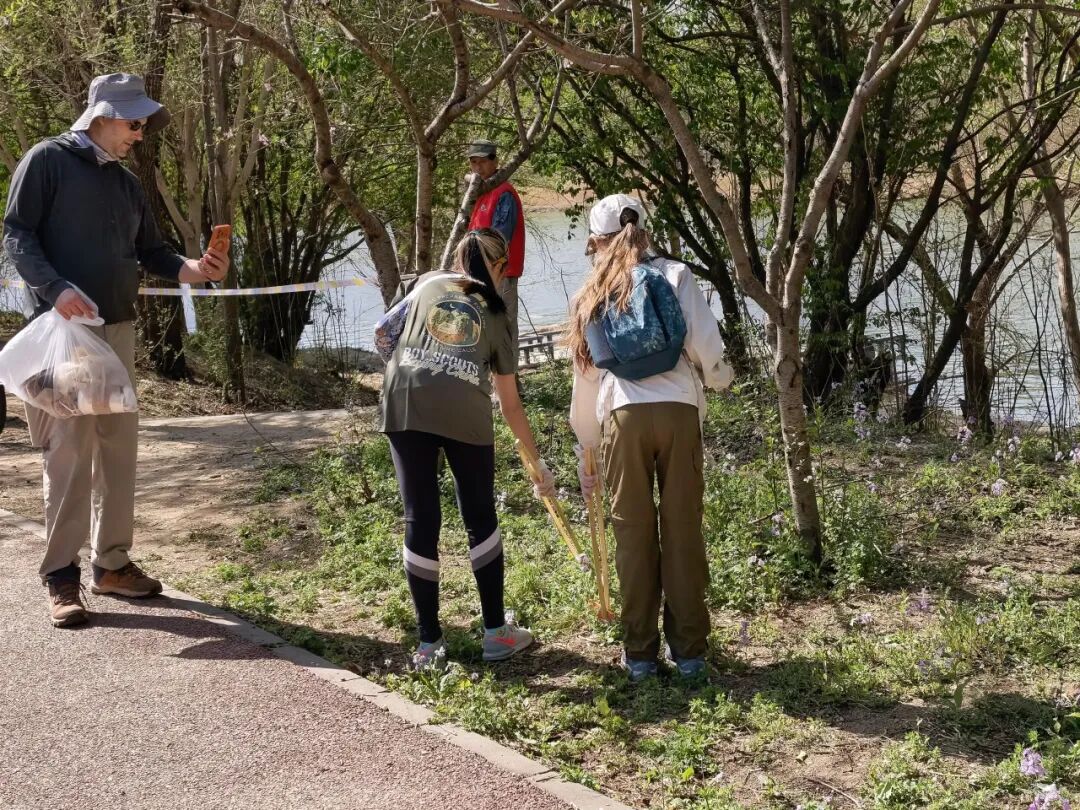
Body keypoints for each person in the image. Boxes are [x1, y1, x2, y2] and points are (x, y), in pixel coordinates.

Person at [3, 73, 230, 627]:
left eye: (143, 124)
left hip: (118, 333)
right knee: (70, 455)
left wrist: (196, 270)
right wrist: (55, 290)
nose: (140, 133)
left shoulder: (126, 183)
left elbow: (151, 251)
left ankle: (112, 566)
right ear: (101, 114)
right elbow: (16, 235)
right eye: (134, 123)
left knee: (119, 454)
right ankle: (61, 577)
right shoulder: (46, 160)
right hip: (62, 337)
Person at [566, 194, 733, 680]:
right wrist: (719, 378)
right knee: (682, 528)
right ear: (648, 229)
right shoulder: (677, 275)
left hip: (622, 415)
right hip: (679, 408)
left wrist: (587, 446)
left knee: (632, 534)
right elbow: (706, 346)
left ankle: (639, 655)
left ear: (596, 240)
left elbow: (587, 376)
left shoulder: (592, 290)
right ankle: (690, 654)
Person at [379, 228, 555, 667]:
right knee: (478, 513)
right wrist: (537, 464)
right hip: (464, 410)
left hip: (404, 397)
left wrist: (421, 366)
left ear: (460, 260)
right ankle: (496, 633)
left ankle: (428, 645)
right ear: (497, 268)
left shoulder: (428, 283)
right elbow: (510, 403)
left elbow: (383, 336)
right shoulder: (496, 313)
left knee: (420, 515)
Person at [466, 140, 525, 360]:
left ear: (495, 162)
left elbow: (500, 238)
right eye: (474, 163)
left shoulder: (503, 193)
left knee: (504, 328)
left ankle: (510, 382)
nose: (478, 168)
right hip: (480, 274)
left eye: (483, 162)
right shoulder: (481, 191)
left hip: (501, 274)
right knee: (480, 328)